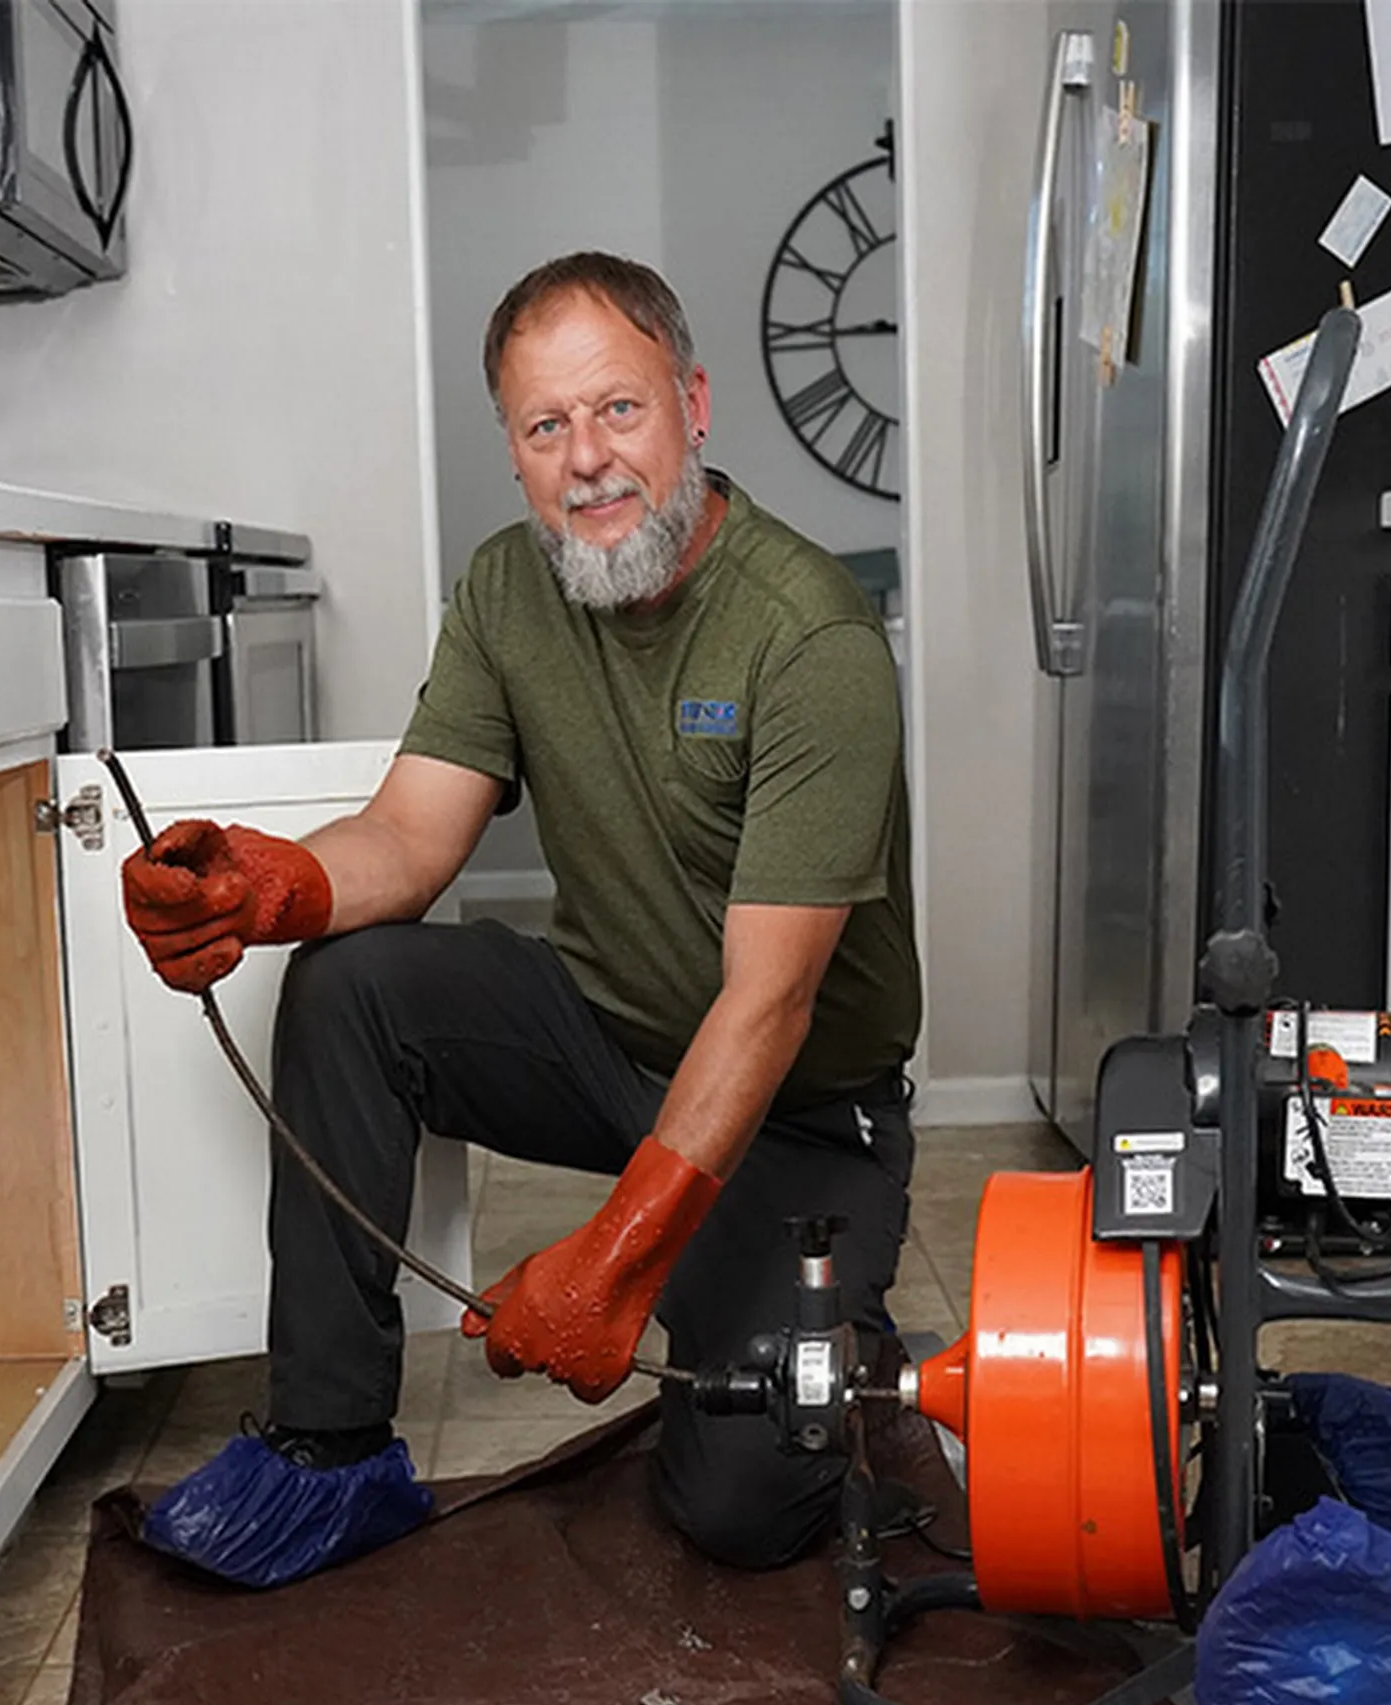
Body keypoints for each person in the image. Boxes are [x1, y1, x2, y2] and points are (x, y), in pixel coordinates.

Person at [122, 251, 920, 1588]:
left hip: (798, 1108)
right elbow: (408, 838)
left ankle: (836, 1335)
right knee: (349, 983)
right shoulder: (508, 588)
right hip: (609, 1041)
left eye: (619, 409)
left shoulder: (809, 637)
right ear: (513, 451)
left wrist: (617, 1254)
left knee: (738, 1510)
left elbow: (770, 1003)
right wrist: (264, 889)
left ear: (693, 405)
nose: (587, 459)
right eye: (546, 426)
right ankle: (330, 1450)